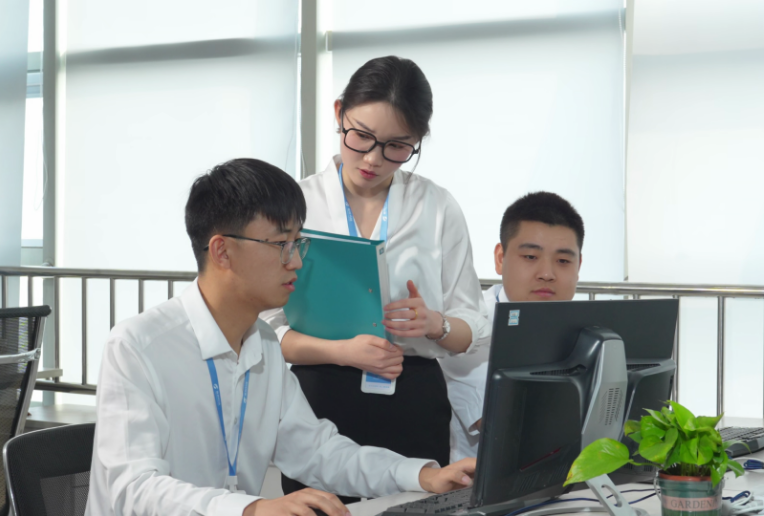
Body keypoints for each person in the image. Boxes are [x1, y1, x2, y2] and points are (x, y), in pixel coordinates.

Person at [85, 158, 476, 516]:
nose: (297, 261)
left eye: (297, 243)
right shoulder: (137, 347)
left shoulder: (265, 345)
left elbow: (318, 450)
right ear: (222, 251)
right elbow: (133, 488)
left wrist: (422, 476)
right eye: (281, 244)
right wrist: (251, 509)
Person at [261, 56, 489, 502]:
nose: (372, 158)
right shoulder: (297, 204)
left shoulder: (437, 207)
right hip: (318, 395)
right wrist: (341, 352)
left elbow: (474, 328)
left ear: (417, 142)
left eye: (396, 146)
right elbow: (267, 328)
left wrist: (436, 324)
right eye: (361, 136)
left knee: (418, 505)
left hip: (414, 396)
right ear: (338, 112)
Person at [439, 191, 585, 462]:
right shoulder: (466, 329)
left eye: (563, 261)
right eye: (530, 257)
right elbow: (506, 427)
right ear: (500, 258)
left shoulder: (590, 330)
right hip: (479, 481)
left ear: (579, 266)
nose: (547, 273)